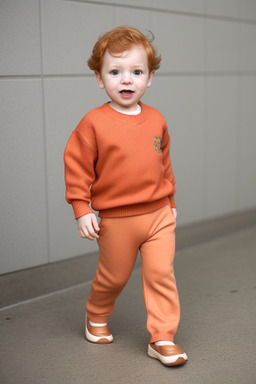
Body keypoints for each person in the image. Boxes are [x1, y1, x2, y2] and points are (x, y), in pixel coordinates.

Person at [64, 26, 188, 367]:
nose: (126, 80)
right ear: (99, 78)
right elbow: (77, 168)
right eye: (115, 72)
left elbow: (164, 165)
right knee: (114, 276)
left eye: (137, 71)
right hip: (118, 220)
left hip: (159, 214)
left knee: (161, 273)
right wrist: (81, 207)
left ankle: (162, 338)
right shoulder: (93, 123)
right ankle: (96, 313)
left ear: (150, 78)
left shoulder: (156, 119)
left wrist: (171, 203)